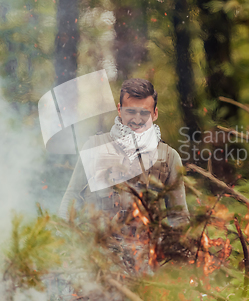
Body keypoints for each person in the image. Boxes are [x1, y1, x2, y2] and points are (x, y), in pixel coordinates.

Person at [58, 78, 190, 228]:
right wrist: (62, 238)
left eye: (144, 113)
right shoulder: (94, 147)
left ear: (155, 114)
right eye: (131, 111)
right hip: (98, 248)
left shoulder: (169, 157)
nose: (137, 119)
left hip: (147, 249)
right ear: (120, 110)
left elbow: (179, 217)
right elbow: (71, 199)